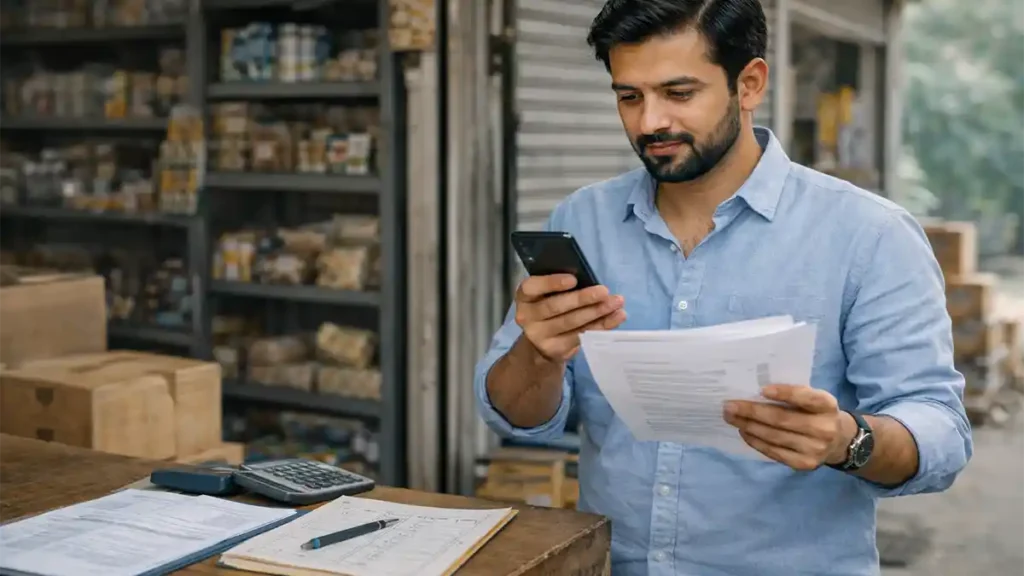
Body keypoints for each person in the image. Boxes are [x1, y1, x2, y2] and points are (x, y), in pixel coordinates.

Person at [474, 0, 973, 574]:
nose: (648, 122)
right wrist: (537, 352)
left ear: (749, 83)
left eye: (679, 93)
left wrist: (848, 440)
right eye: (628, 96)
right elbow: (514, 416)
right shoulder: (582, 221)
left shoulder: (869, 235)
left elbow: (941, 432)